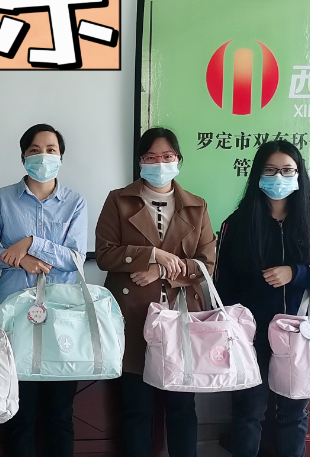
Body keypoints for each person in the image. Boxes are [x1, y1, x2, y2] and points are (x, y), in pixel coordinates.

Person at [214, 140, 310, 457]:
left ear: (299, 175)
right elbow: (221, 286)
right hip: (251, 336)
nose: (279, 177)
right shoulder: (237, 223)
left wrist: (296, 273)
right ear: (258, 175)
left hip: (301, 334)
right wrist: (233, 330)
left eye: (287, 170)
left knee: (293, 414)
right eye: (270, 170)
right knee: (248, 413)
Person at [95, 127, 216, 457]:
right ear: (139, 161)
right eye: (150, 157)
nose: (159, 164)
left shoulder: (197, 206)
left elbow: (206, 263)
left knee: (181, 408)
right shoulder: (118, 200)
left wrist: (162, 270)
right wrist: (151, 254)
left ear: (178, 159)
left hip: (181, 318)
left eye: (167, 156)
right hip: (132, 317)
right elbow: (105, 254)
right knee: (136, 408)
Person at [0, 123, 88, 457]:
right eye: (35, 150)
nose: (43, 157)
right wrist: (21, 259)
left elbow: (75, 259)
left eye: (51, 150)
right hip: (13, 311)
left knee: (59, 413)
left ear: (61, 157)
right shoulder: (2, 199)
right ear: (23, 156)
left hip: (62, 315)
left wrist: (32, 243)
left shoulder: (75, 202)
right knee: (19, 410)